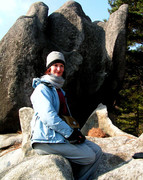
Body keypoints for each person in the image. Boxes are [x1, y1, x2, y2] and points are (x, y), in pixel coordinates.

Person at [30, 51, 102, 180]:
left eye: (61, 66)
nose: (59, 69)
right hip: (45, 140)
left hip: (57, 136)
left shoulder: (58, 90)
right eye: (55, 65)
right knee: (89, 156)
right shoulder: (42, 89)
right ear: (49, 69)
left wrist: (76, 132)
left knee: (97, 150)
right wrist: (69, 133)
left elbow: (65, 117)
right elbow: (48, 116)